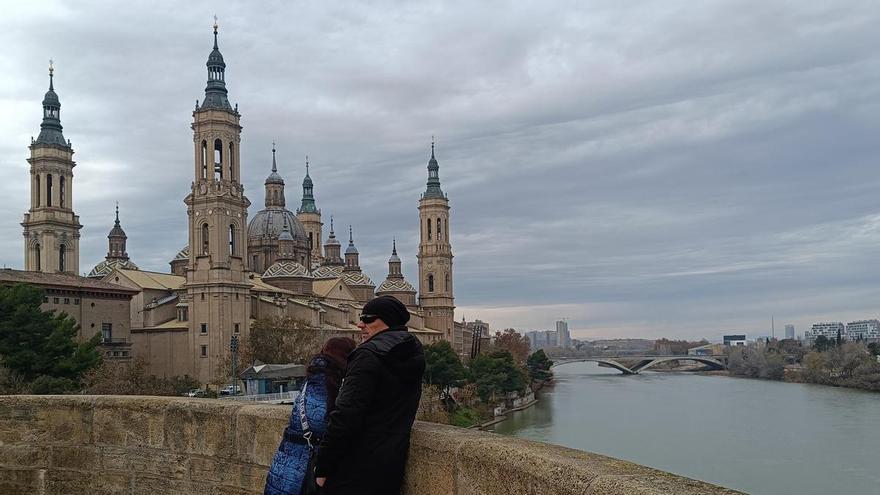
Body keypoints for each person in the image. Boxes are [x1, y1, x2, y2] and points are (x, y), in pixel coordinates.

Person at [314, 295, 426, 494]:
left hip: (353, 465)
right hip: (390, 463)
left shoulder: (368, 354)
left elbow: (345, 416)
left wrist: (323, 465)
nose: (359, 324)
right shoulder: (413, 351)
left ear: (387, 321)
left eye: (367, 319)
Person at [264, 337, 357, 495]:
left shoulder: (313, 379)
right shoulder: (327, 383)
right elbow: (322, 423)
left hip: (286, 463)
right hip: (302, 468)